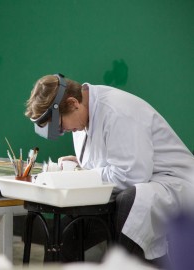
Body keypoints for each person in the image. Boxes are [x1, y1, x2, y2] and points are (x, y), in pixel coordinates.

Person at [24, 73, 194, 266]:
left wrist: (83, 176)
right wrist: (79, 167)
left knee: (133, 201)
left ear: (73, 103)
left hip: (174, 184)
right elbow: (110, 161)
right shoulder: (83, 114)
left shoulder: (117, 111)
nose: (63, 132)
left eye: (61, 125)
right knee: (64, 239)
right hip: (131, 186)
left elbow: (132, 175)